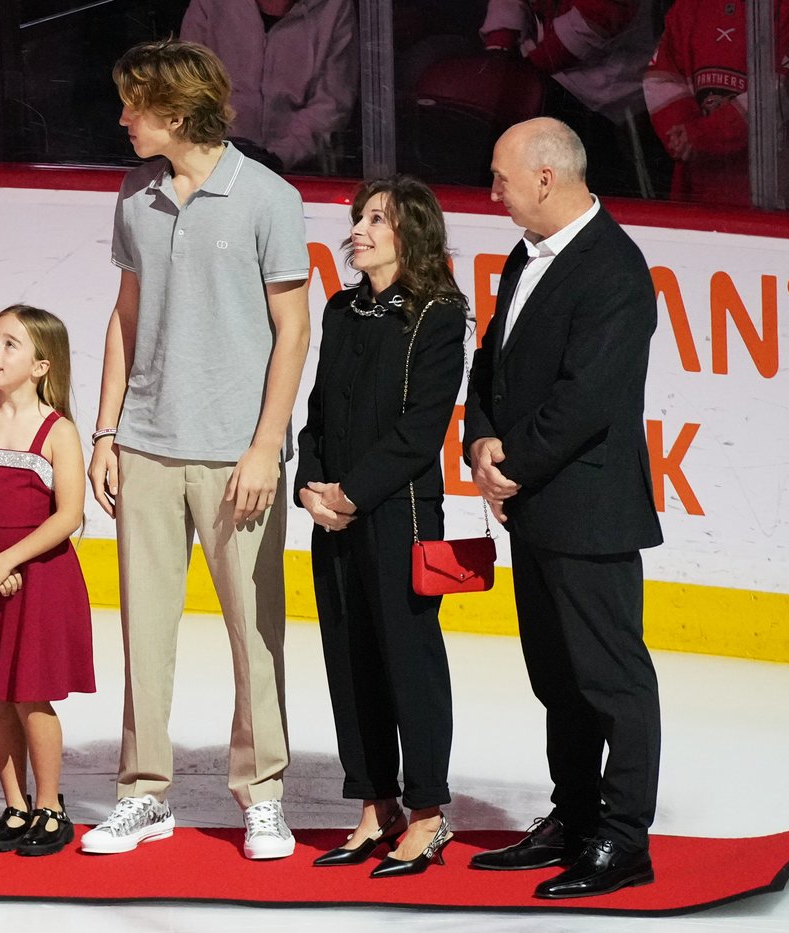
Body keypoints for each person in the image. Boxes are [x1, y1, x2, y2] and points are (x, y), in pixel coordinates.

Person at [83, 39, 311, 861]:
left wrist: (263, 448)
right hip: (144, 445)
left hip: (233, 454)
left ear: (176, 114)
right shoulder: (133, 192)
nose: (121, 119)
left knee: (255, 633)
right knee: (145, 630)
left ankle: (264, 794)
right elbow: (124, 314)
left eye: (133, 106)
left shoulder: (268, 199)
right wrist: (107, 430)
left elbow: (293, 334)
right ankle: (143, 793)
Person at [465, 117, 663, 899]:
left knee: (612, 681)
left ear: (546, 177)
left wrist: (511, 464)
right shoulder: (526, 256)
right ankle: (574, 814)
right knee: (557, 678)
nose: (492, 192)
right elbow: (494, 363)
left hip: (588, 510)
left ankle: (623, 837)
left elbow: (588, 398)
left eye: (500, 177)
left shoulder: (614, 268)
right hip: (536, 504)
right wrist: (481, 437)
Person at [294, 176, 467, 877]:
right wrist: (312, 486)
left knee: (408, 661)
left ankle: (427, 811)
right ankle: (375, 801)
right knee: (349, 660)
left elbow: (421, 429)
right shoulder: (341, 309)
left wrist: (354, 494)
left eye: (377, 220)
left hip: (399, 515)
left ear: (410, 234)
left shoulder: (437, 312)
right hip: (333, 515)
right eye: (360, 217)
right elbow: (319, 412)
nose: (359, 229)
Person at [0, 305, 95, 858]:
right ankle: (15, 803)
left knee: (31, 696)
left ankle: (51, 804)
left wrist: (8, 560)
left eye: (10, 345)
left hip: (42, 577)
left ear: (41, 366)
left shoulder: (60, 431)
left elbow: (68, 514)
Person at [480, 0, 664, 198]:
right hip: (549, 85)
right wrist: (500, 47)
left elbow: (601, 15)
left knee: (605, 200)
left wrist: (529, 67)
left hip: (617, 101)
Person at [644, 0, 789, 205]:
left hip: (775, 190)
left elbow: (783, 89)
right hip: (700, 184)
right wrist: (683, 136)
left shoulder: (787, 9)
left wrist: (702, 134)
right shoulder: (687, 7)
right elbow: (661, 77)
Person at [179, 0, 358, 173]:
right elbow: (188, 89)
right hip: (214, 167)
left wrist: (276, 158)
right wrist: (220, 154)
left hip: (301, 176)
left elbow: (331, 104)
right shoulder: (209, 4)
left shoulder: (334, 7)